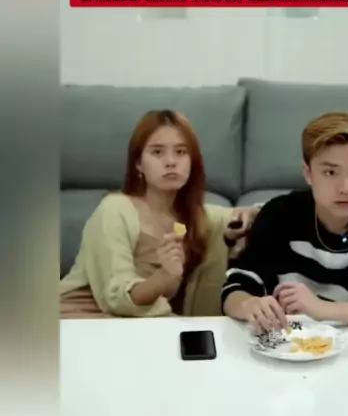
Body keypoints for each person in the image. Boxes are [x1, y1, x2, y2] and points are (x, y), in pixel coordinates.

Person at [222, 112, 348, 346]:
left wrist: (323, 309)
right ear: (308, 173)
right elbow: (236, 286)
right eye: (330, 172)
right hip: (292, 346)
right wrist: (248, 304)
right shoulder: (279, 214)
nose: (346, 188)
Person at [60, 109, 258, 318]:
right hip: (80, 317)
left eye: (181, 152)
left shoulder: (196, 217)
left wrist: (249, 214)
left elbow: (250, 217)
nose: (171, 161)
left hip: (147, 324)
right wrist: (163, 278)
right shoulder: (114, 209)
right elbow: (116, 298)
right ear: (138, 164)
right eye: (157, 152)